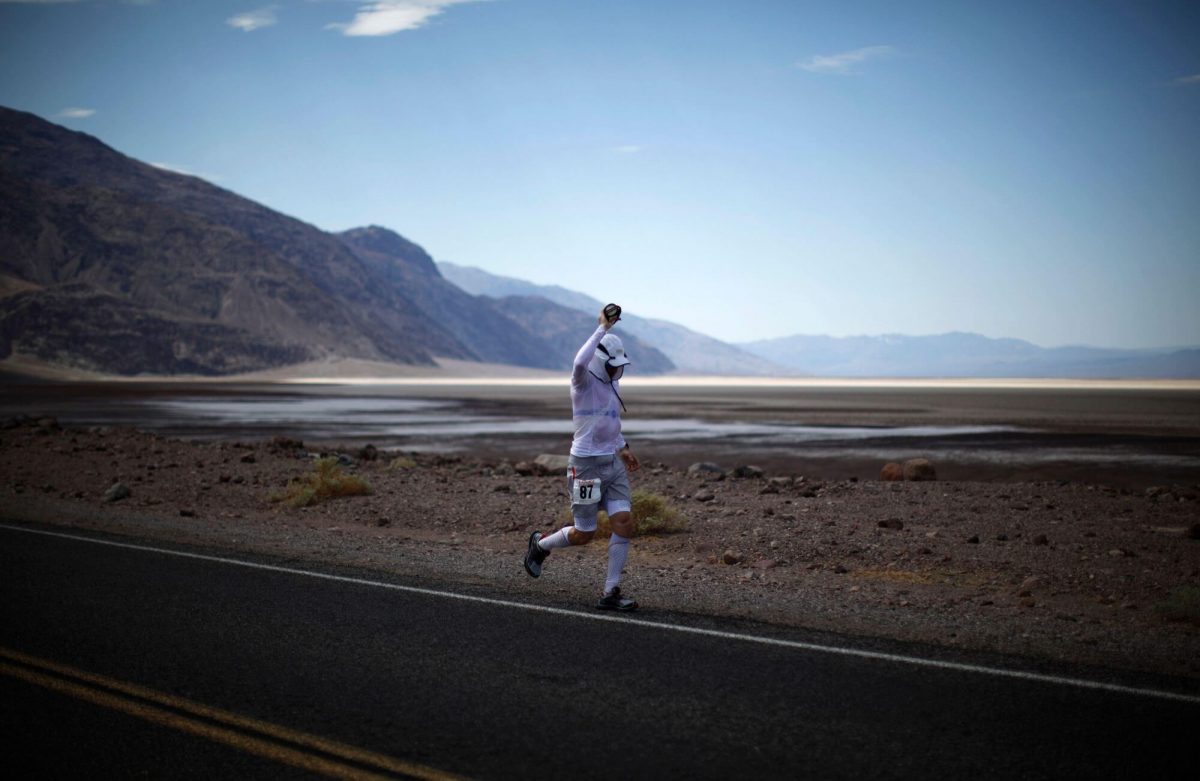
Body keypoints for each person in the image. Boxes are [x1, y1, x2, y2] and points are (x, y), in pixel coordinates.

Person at [523, 305, 641, 611]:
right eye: (612, 365)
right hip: (585, 465)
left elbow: (610, 421)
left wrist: (623, 447)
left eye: (619, 365)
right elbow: (578, 361)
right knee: (585, 533)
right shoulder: (582, 381)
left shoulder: (613, 383)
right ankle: (540, 544)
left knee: (624, 522)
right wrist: (603, 327)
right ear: (600, 361)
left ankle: (611, 592)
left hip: (611, 463)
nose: (616, 370)